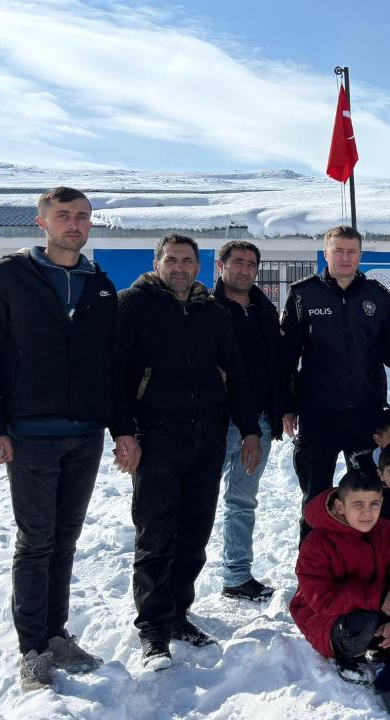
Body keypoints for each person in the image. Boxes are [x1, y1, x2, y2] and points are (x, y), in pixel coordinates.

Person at [0, 186, 136, 690]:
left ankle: (56, 634)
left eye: (83, 216)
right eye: (63, 215)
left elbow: (113, 367)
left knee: (65, 540)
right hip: (30, 433)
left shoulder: (100, 286)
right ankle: (33, 649)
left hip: (83, 434)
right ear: (41, 222)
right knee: (36, 541)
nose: (75, 224)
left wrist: (122, 428)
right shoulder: (7, 277)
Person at [118, 233, 262, 669]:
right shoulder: (132, 305)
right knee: (156, 535)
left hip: (207, 438)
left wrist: (250, 430)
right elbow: (115, 375)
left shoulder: (210, 310)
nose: (179, 267)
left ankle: (178, 612)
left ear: (199, 267)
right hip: (156, 438)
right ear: (157, 261)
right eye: (172, 259)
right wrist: (124, 432)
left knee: (195, 534)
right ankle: (154, 630)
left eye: (187, 261)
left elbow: (234, 372)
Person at [280, 225, 390, 540]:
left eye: (351, 251)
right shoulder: (303, 294)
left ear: (360, 255)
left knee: (367, 493)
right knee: (316, 495)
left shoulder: (376, 296)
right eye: (338, 250)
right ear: (326, 253)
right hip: (318, 412)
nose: (345, 257)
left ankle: (365, 559)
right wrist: (286, 405)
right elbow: (286, 356)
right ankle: (312, 573)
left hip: (365, 413)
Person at [290, 470, 390, 719]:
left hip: (378, 607)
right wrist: (377, 599)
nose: (367, 512)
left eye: (374, 504)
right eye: (357, 505)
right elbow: (322, 600)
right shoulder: (317, 542)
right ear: (340, 506)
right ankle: (348, 656)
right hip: (328, 620)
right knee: (365, 620)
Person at [213, 240, 284, 603]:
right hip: (214, 422)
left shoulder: (264, 310)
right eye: (237, 262)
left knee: (242, 502)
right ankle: (176, 588)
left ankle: (237, 575)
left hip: (258, 422)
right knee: (195, 504)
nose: (244, 269)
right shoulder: (205, 307)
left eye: (251, 264)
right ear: (220, 266)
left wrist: (280, 409)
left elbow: (278, 366)